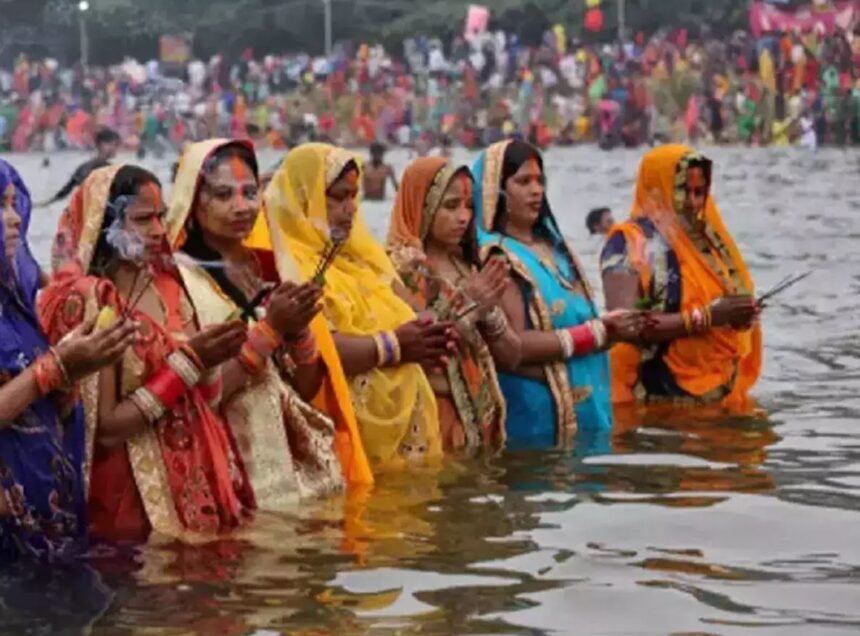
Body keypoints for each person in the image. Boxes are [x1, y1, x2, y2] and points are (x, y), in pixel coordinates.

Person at [39, 165, 256, 542]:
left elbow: (208, 401)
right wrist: (190, 363)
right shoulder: (92, 299)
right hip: (128, 498)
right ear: (104, 225)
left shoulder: (167, 287)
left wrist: (217, 359)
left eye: (161, 217)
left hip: (196, 483)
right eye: (142, 219)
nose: (158, 231)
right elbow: (103, 430)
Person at [167, 139, 372, 506]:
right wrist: (270, 331)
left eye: (250, 192)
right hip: (225, 474)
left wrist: (297, 332)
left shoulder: (269, 268)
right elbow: (190, 402)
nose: (242, 207)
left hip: (291, 468)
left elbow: (303, 388)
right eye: (223, 195)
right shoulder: (177, 280)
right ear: (194, 202)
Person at [247, 143, 455, 472]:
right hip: (340, 442)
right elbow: (316, 351)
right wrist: (395, 345)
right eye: (338, 197)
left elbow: (412, 316)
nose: (350, 209)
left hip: (405, 436)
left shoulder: (361, 258)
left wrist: (433, 326)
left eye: (353, 197)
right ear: (305, 196)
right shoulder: (285, 266)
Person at [0, 159, 137, 561]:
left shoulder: (16, 302)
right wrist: (53, 368)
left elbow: (42, 411)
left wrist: (70, 376)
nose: (13, 219)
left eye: (13, 204)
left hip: (47, 521)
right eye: (0, 206)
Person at [472, 140, 644, 450]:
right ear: (496, 191)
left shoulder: (556, 248)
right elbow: (514, 345)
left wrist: (613, 328)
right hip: (537, 423)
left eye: (540, 181)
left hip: (589, 415)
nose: (536, 190)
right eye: (523, 182)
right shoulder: (498, 256)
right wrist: (599, 332)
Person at [600, 144, 761, 407]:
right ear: (657, 189)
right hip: (648, 401)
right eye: (683, 192)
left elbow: (728, 304)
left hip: (719, 393)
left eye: (700, 193)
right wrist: (707, 316)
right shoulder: (628, 242)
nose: (694, 203)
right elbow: (623, 325)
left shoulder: (710, 243)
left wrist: (741, 314)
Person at [386, 157, 519, 451]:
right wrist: (469, 306)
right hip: (432, 422)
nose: (463, 217)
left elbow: (512, 354)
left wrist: (488, 313)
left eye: (469, 206)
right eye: (451, 206)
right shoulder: (400, 271)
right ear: (421, 205)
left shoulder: (468, 265)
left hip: (478, 425)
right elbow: (419, 354)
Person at [39, 128, 121, 207]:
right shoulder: (95, 168)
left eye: (116, 145)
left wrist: (47, 203)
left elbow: (66, 191)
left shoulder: (86, 166)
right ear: (99, 144)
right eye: (109, 144)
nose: (113, 148)